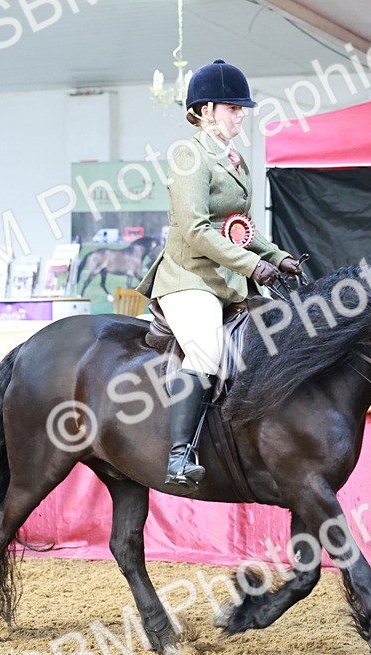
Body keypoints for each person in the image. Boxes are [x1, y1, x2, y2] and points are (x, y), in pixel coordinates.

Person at [137, 59, 304, 494]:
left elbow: (239, 227)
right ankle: (179, 456)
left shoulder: (234, 159)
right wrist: (252, 266)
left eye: (241, 109)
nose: (240, 116)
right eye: (233, 108)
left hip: (228, 281)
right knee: (207, 351)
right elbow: (195, 229)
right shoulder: (189, 156)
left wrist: (278, 257)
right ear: (206, 109)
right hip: (189, 277)